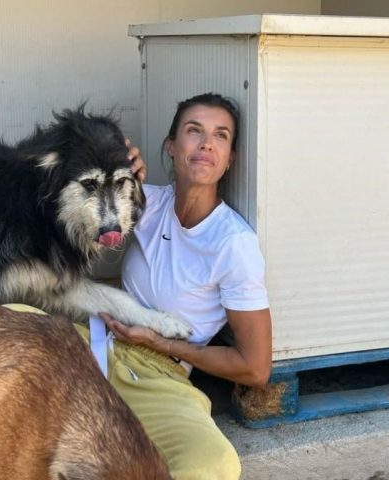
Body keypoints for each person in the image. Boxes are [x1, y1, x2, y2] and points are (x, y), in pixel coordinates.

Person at [95, 92, 272, 480]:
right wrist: (113, 159)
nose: (207, 142)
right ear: (171, 147)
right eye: (194, 131)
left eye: (221, 136)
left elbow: (256, 368)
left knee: (215, 464)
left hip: (158, 373)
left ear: (230, 160)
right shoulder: (147, 204)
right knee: (13, 321)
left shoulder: (232, 244)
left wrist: (162, 344)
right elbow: (79, 203)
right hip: (95, 345)